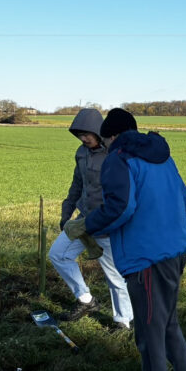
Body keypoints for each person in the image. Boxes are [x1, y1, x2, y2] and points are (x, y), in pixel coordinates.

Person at [64, 108, 186, 371]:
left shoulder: (119, 158)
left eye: (107, 139)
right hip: (175, 255)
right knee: (169, 326)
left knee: (150, 338)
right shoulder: (163, 157)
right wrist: (181, 243)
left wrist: (86, 225)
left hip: (146, 261)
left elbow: (121, 208)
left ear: (112, 135)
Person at [49, 108, 133, 329]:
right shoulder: (81, 153)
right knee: (58, 255)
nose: (83, 138)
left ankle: (123, 320)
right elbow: (77, 184)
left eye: (86, 133)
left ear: (98, 131)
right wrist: (66, 214)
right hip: (83, 220)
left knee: (114, 275)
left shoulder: (114, 154)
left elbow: (123, 193)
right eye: (79, 135)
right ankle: (86, 300)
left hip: (107, 224)